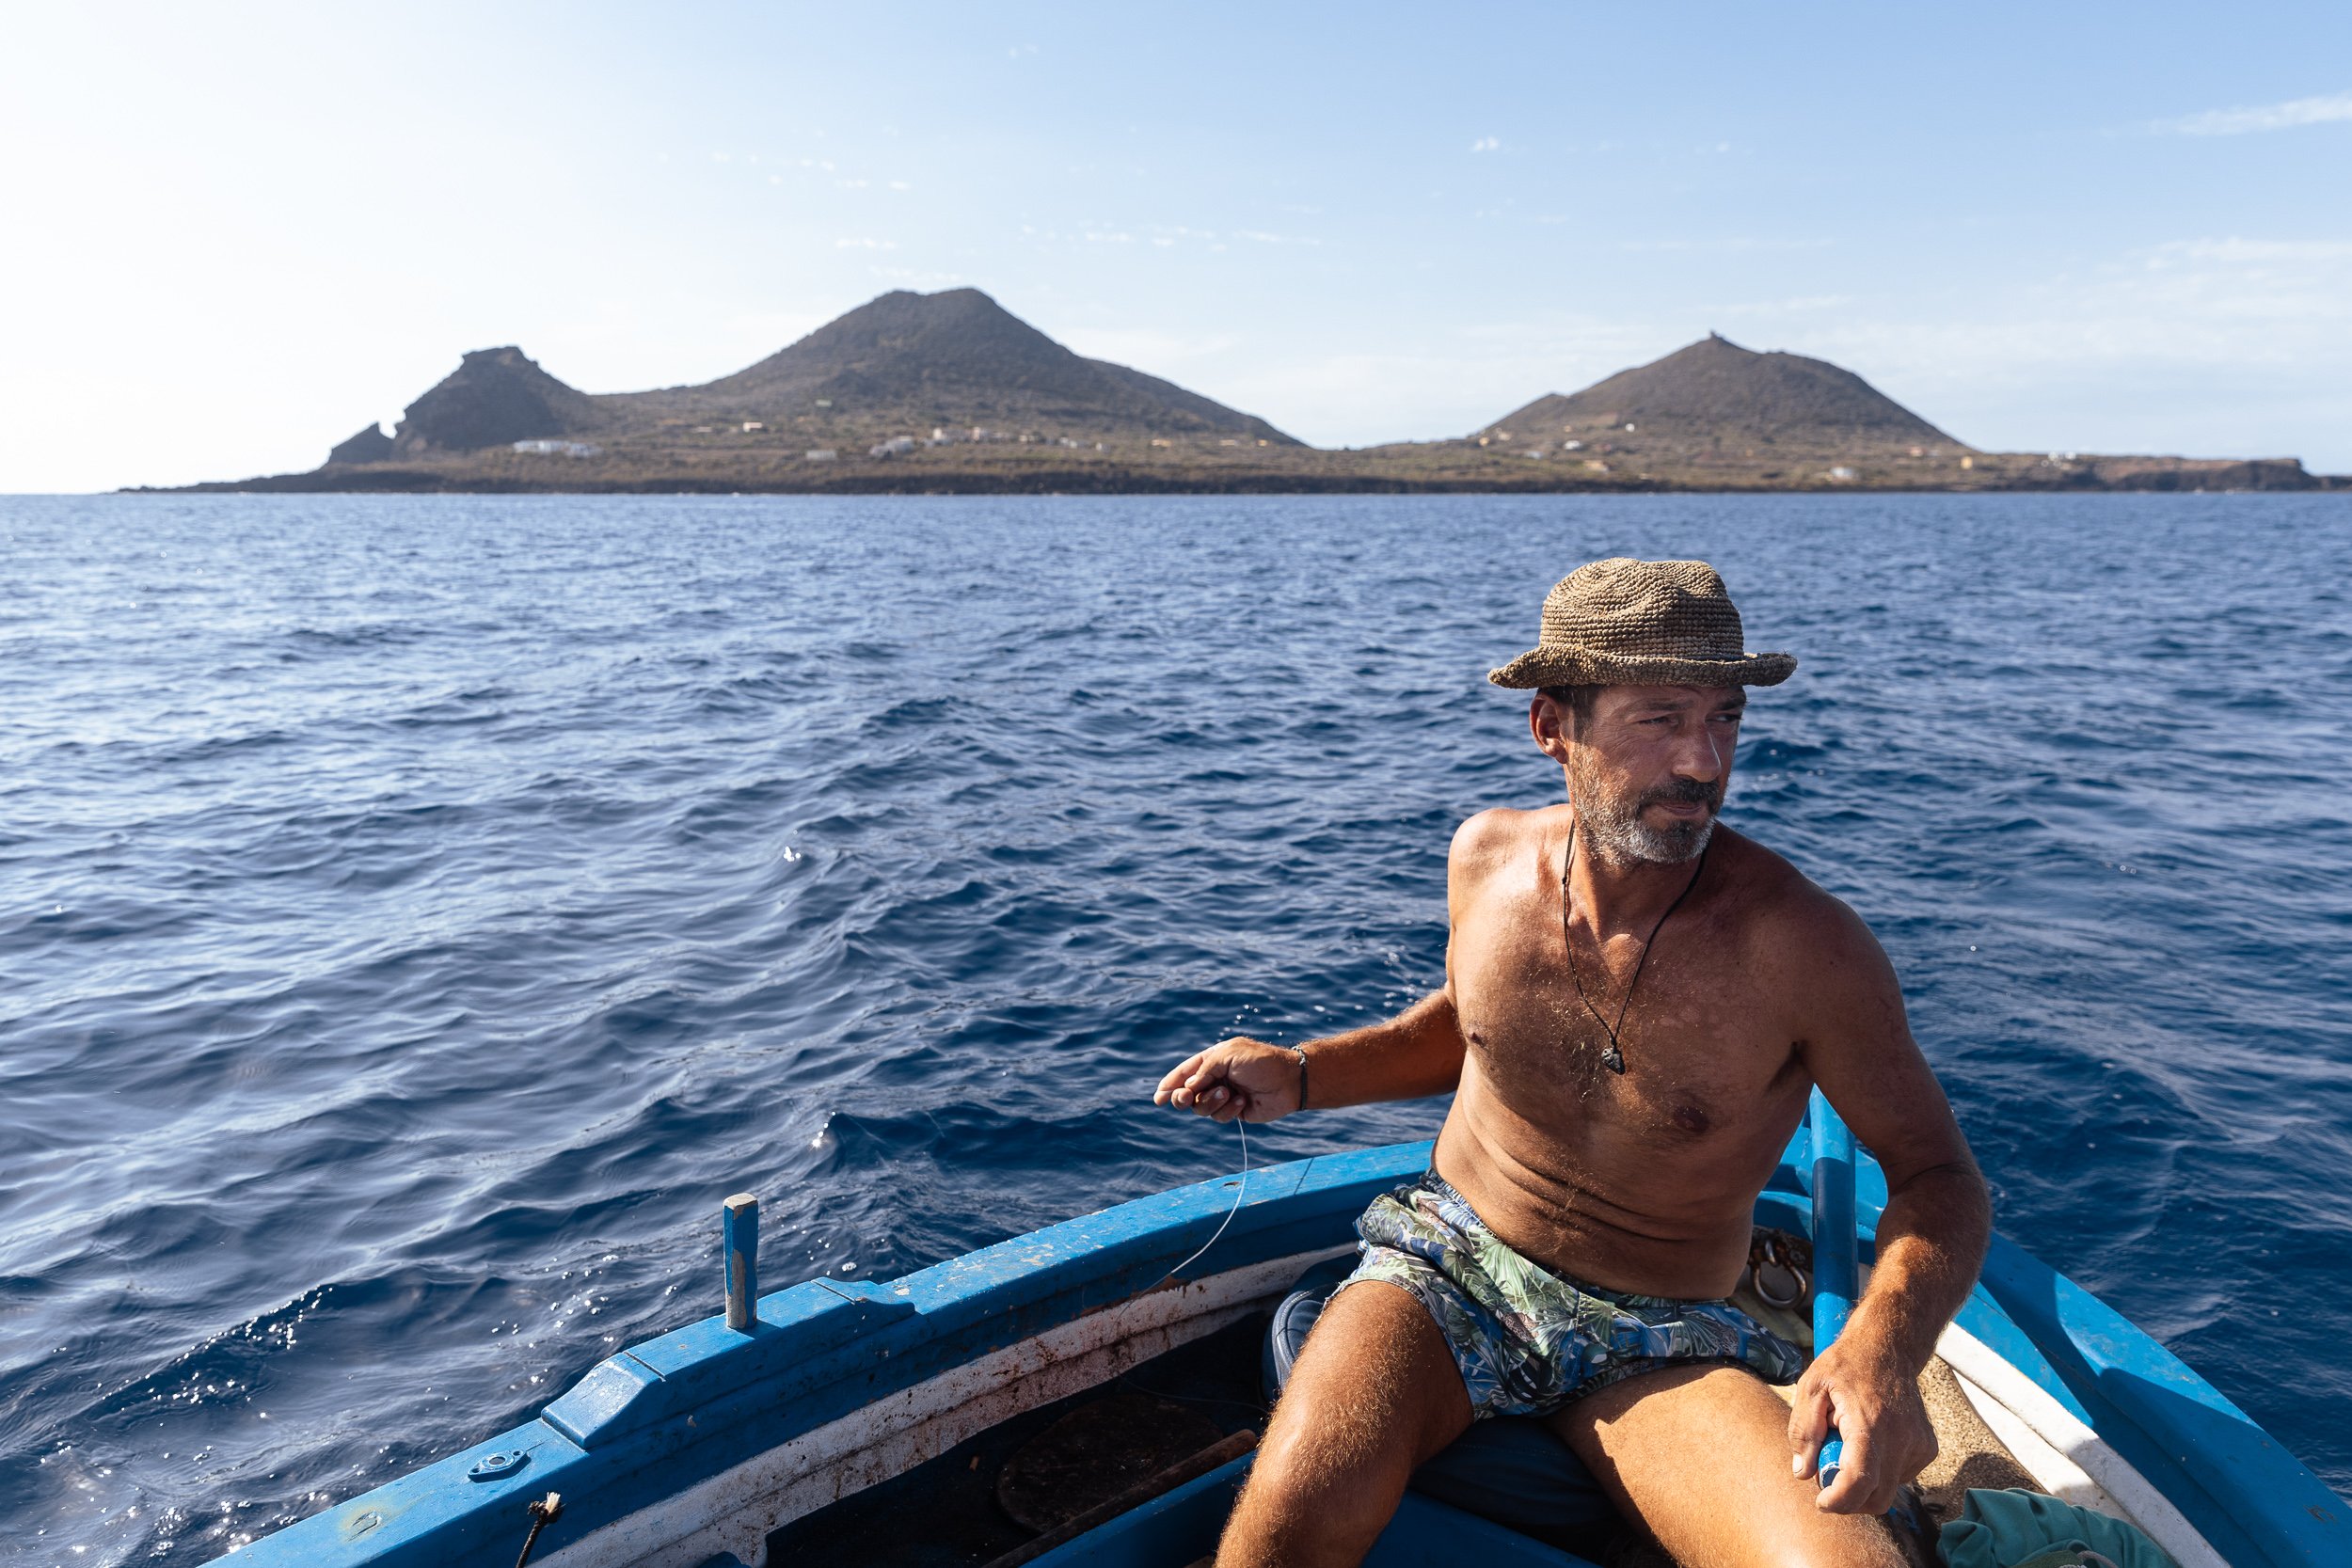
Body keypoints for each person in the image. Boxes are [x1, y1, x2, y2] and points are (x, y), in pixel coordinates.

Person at [1153, 558, 1990, 1568]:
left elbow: (1938, 1177)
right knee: (1294, 1513)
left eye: (1725, 717)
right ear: (1553, 724)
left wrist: (1882, 1348)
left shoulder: (1804, 947)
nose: (1704, 760)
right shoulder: (1484, 859)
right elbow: (1472, 1023)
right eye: (1660, 717)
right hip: (1450, 1261)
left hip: (1660, 1329)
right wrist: (1304, 1072)